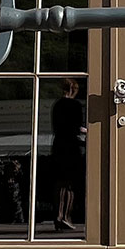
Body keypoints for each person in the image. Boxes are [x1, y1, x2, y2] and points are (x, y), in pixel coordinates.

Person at [48, 78, 86, 232]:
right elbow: (76, 127)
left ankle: (59, 216)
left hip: (58, 144)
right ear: (73, 90)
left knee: (60, 181)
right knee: (69, 183)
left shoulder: (57, 105)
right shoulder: (74, 105)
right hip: (71, 146)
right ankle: (65, 216)